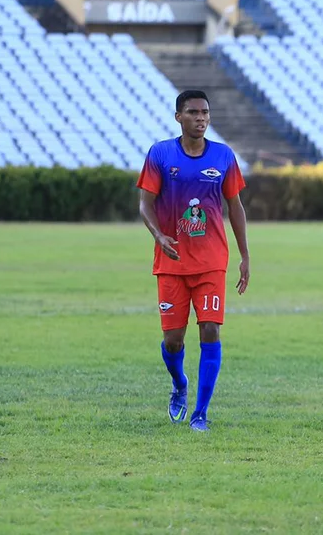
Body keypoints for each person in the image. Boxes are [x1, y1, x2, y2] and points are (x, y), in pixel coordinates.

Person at [136, 90, 250, 432]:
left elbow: (235, 207)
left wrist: (245, 256)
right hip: (171, 262)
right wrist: (159, 236)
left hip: (212, 261)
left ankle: (200, 413)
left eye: (205, 113)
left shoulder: (224, 157)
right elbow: (145, 204)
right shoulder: (160, 155)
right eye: (193, 112)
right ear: (179, 117)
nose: (201, 118)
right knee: (173, 340)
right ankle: (179, 385)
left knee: (211, 330)